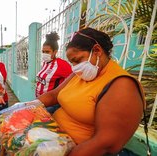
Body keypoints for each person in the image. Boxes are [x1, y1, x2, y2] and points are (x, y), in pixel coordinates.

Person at [36, 27, 144, 155]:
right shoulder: (81, 72)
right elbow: (54, 94)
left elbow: (105, 144)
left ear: (97, 51)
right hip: (51, 137)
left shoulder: (122, 86)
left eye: (77, 60)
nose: (75, 68)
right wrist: (25, 106)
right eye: (72, 63)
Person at [36, 32, 72, 114]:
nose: (44, 54)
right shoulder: (45, 63)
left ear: (55, 52)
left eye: (47, 52)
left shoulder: (62, 65)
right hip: (40, 102)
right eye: (43, 51)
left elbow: (74, 79)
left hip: (51, 105)